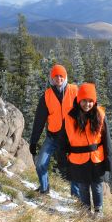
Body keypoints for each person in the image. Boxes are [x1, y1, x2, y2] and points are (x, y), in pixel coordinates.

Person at [62, 83, 112, 215]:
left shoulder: (100, 115)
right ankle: (85, 212)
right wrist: (62, 159)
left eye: (91, 101)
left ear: (94, 101)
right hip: (77, 158)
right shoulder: (70, 116)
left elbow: (106, 140)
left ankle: (98, 211)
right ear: (79, 99)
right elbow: (64, 139)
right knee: (83, 186)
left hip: (96, 158)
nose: (87, 104)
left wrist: (110, 162)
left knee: (97, 186)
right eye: (84, 101)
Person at [29, 64, 80, 196]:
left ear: (65, 77)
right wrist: (33, 142)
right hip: (53, 137)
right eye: (56, 76)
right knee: (40, 163)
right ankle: (44, 188)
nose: (58, 78)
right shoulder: (47, 96)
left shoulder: (74, 91)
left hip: (71, 138)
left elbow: (86, 110)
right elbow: (39, 121)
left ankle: (77, 197)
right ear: (52, 78)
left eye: (61, 76)